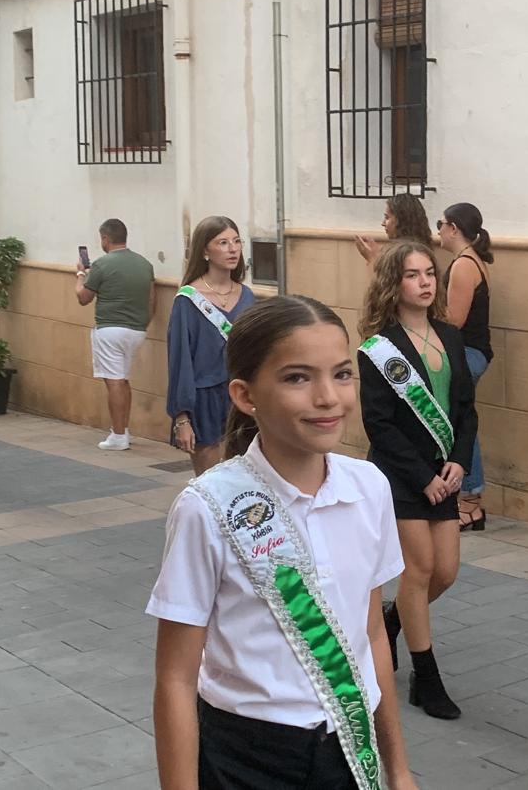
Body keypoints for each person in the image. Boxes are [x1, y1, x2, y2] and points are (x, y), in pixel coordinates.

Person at [149, 295, 418, 790]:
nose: (328, 398)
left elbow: (371, 634)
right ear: (245, 395)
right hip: (244, 757)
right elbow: (175, 678)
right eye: (297, 377)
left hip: (347, 751)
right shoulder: (207, 507)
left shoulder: (370, 488)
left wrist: (397, 769)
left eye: (341, 374)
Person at [358, 241, 478, 721]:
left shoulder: (450, 337)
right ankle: (425, 677)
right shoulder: (378, 349)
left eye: (431, 273)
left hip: (444, 474)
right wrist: (421, 474)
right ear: (394, 283)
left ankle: (392, 619)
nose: (426, 282)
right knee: (420, 569)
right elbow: (379, 423)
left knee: (445, 572)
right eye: (414, 275)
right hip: (402, 474)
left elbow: (465, 409)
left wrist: (458, 462)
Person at [167, 215, 256, 475]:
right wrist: (182, 417)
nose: (233, 249)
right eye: (223, 242)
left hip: (242, 398)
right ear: (205, 250)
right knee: (211, 483)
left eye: (237, 241)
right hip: (205, 399)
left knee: (246, 481)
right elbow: (180, 359)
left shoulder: (248, 296)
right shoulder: (188, 300)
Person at [435, 203, 494, 531]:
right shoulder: (472, 260)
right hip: (471, 353)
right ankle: (469, 501)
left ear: (454, 228)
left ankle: (470, 501)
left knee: (460, 426)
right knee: (460, 423)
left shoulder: (464, 265)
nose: (438, 230)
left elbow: (454, 320)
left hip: (467, 354)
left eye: (441, 224)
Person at [76, 218, 156, 451]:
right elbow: (153, 300)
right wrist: (143, 323)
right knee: (122, 379)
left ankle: (118, 435)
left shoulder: (101, 265)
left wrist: (80, 275)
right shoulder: (145, 264)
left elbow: (83, 298)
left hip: (110, 329)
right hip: (137, 330)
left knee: (114, 382)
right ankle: (124, 430)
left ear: (105, 239)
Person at [355, 193, 434, 264]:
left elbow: (385, 279)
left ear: (401, 220)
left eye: (387, 217)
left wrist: (372, 258)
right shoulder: (420, 249)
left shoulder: (408, 254)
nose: (383, 223)